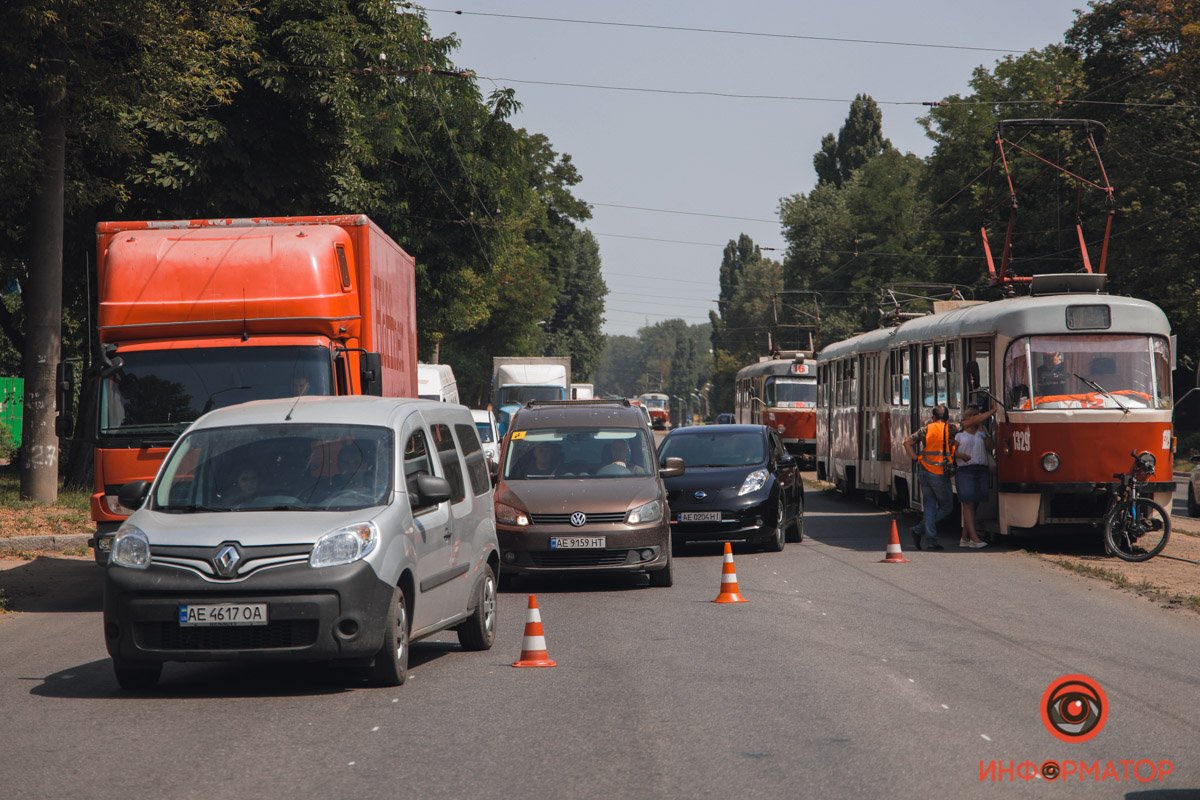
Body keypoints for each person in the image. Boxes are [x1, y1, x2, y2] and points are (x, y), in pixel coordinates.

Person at [903, 402, 996, 551]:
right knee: (946, 507)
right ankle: (919, 530)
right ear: (947, 418)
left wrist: (916, 458)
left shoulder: (925, 429)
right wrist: (992, 411)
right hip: (939, 473)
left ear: (933, 417)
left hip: (924, 471)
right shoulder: (950, 429)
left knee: (929, 505)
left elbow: (906, 442)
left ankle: (931, 540)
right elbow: (973, 421)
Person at [954, 404, 991, 548]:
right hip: (965, 470)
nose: (974, 417)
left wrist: (983, 430)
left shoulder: (981, 432)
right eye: (971, 415)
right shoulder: (959, 434)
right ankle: (975, 539)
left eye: (976, 414)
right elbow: (950, 452)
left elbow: (990, 446)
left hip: (980, 469)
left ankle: (964, 537)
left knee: (974, 504)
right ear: (966, 418)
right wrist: (960, 455)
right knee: (968, 504)